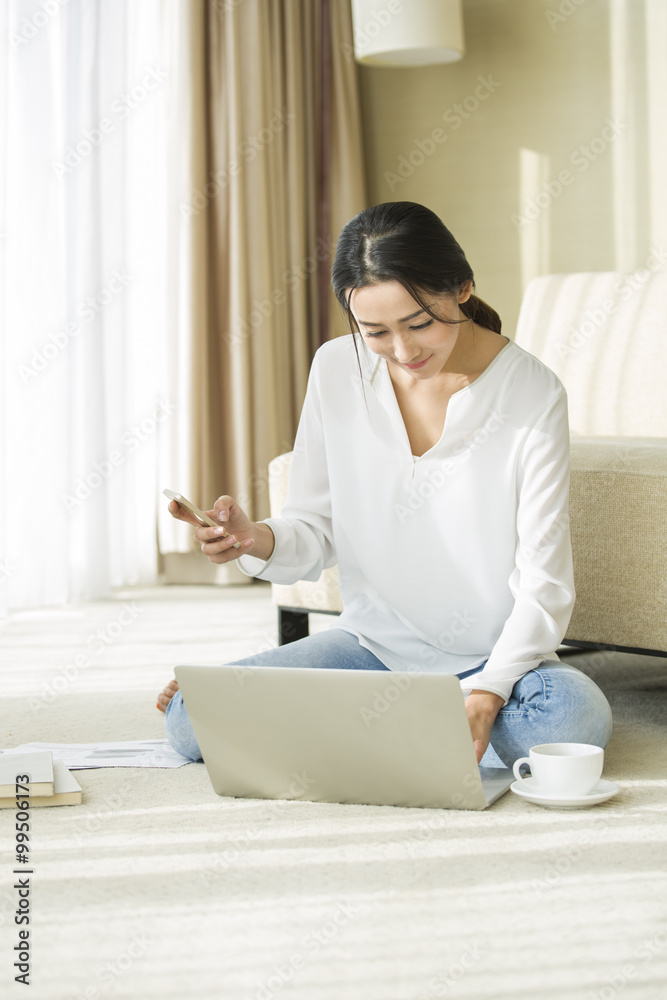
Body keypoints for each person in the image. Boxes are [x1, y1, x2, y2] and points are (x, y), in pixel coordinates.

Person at [158, 201, 612, 769]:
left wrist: (491, 689)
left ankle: (366, 723)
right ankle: (410, 729)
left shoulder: (531, 394)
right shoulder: (335, 369)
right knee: (187, 724)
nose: (403, 351)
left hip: (493, 661)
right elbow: (314, 530)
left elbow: (545, 582)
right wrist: (255, 540)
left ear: (462, 287)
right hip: (372, 651)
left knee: (572, 722)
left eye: (419, 323)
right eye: (375, 332)